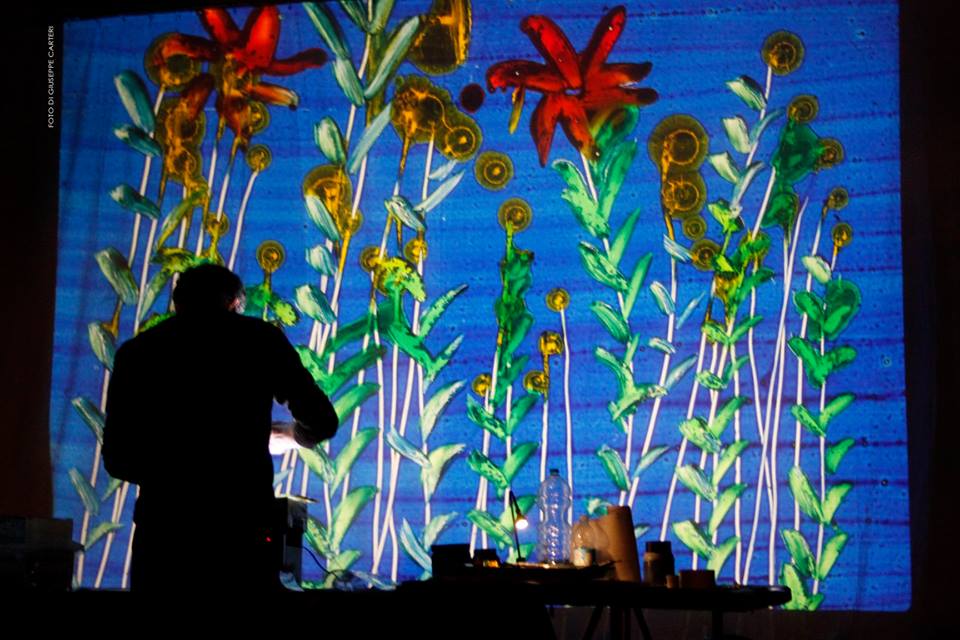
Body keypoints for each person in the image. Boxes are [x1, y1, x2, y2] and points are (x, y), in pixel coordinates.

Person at [102, 264, 338, 592]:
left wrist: (175, 470)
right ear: (234, 303)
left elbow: (117, 458)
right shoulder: (260, 341)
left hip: (165, 536)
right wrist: (291, 435)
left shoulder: (137, 353)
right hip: (241, 529)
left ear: (177, 302)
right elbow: (323, 420)